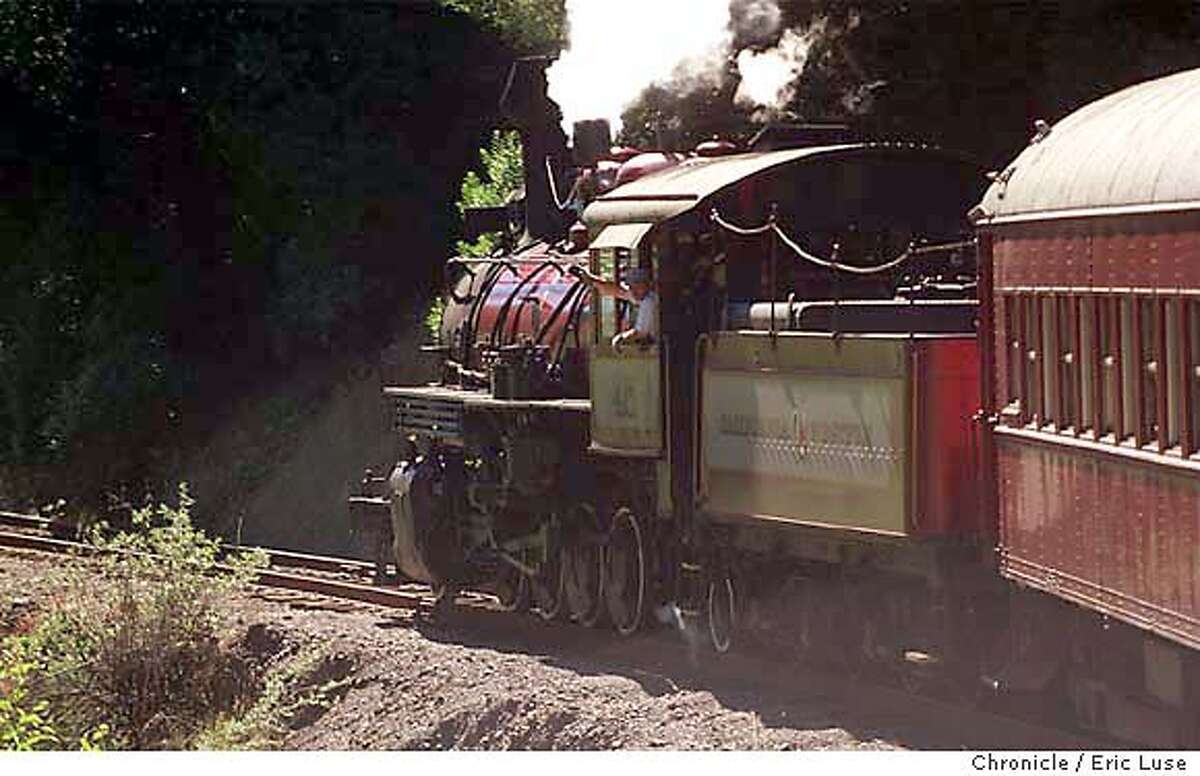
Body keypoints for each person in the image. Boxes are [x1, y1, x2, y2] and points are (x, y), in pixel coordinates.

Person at [569, 264, 657, 351]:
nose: (634, 291)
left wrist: (620, 338)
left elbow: (640, 332)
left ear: (648, 285)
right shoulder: (640, 296)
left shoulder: (649, 302)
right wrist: (592, 280)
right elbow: (617, 291)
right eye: (631, 287)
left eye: (638, 287)